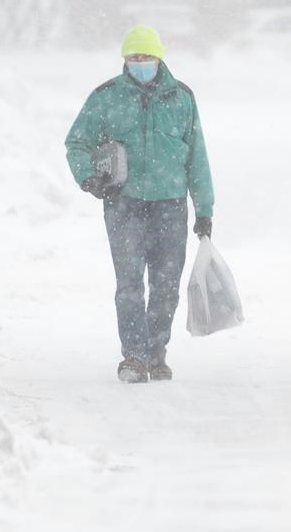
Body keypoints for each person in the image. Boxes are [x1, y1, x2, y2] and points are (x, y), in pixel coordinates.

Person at [65, 25, 214, 383]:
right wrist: (89, 178)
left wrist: (204, 209)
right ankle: (133, 357)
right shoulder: (105, 98)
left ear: (159, 58)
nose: (140, 63)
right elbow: (76, 142)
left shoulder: (181, 98)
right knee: (129, 284)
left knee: (166, 286)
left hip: (170, 205)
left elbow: (197, 158)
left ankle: (155, 353)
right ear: (125, 61)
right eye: (134, 57)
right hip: (123, 204)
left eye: (146, 56)